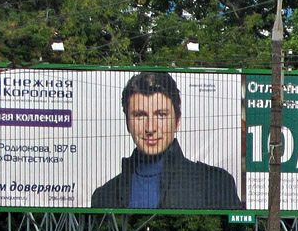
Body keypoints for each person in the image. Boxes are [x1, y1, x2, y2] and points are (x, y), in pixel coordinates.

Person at [91, 71, 244, 210]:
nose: (150, 128)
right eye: (140, 115)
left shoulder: (216, 184)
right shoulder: (104, 195)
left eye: (161, 115)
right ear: (127, 123)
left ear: (177, 121)